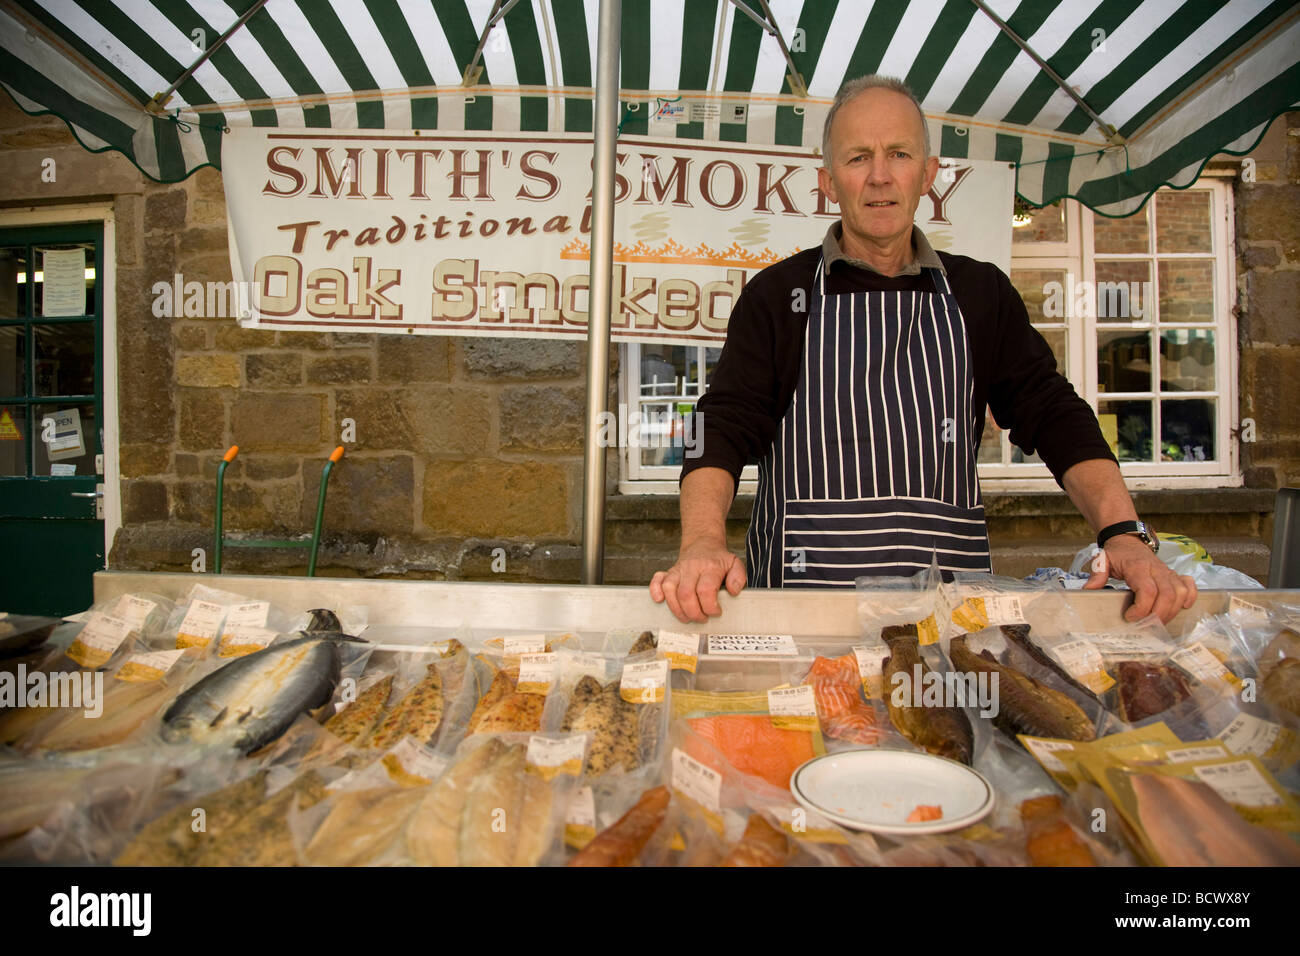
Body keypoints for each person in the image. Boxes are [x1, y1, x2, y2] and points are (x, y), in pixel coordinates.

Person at [649, 75, 1196, 625]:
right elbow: (721, 423)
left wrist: (1122, 533)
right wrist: (701, 542)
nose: (880, 175)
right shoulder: (776, 296)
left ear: (928, 174)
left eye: (899, 154)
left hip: (951, 625)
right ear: (828, 181)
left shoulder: (980, 293)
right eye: (858, 157)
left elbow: (1052, 412)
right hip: (802, 619)